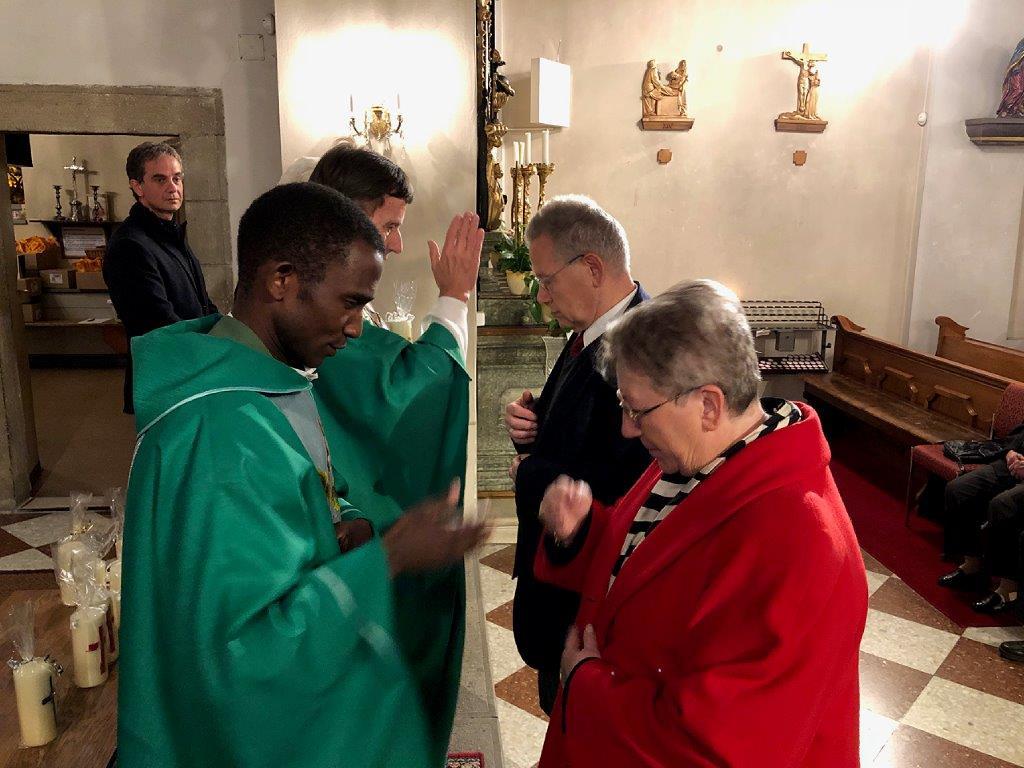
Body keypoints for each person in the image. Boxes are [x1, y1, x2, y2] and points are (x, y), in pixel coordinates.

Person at [117, 182, 489, 768]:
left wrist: (348, 521)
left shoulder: (255, 379)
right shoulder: (223, 433)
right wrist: (389, 557)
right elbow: (246, 657)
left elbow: (305, 490)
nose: (358, 327)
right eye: (350, 302)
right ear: (282, 280)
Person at [530, 279, 868, 767]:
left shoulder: (801, 539)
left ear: (708, 404)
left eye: (637, 410)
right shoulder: (701, 457)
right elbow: (653, 562)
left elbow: (719, 750)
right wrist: (581, 532)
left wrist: (587, 684)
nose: (626, 427)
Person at [305, 144, 483, 765]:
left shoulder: (332, 311)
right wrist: (453, 297)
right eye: (388, 227)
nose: (399, 244)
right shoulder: (318, 321)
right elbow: (402, 397)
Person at [503, 195, 650, 714]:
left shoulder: (641, 346)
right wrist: (531, 427)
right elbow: (575, 435)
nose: (542, 297)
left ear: (591, 267)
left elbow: (623, 481)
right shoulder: (588, 334)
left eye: (546, 280)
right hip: (556, 571)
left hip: (586, 597)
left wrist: (529, 472)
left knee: (577, 720)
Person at [104, 141, 218, 414]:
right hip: (165, 381)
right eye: (160, 179)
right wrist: (214, 349)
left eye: (177, 178)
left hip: (190, 372)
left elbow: (203, 304)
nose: (173, 187)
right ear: (138, 187)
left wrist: (229, 331)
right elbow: (157, 324)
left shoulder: (170, 233)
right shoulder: (130, 245)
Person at [939, 444, 1024, 614]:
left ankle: (1008, 590)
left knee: (1003, 505)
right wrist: (1010, 453)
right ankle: (972, 567)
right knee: (958, 489)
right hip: (1013, 463)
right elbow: (1017, 435)